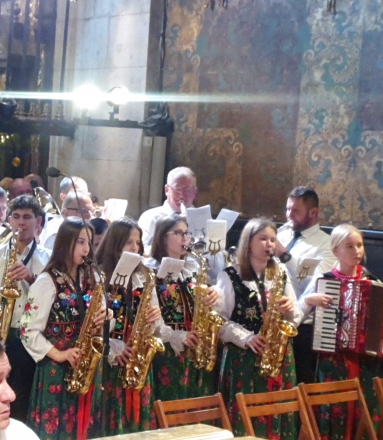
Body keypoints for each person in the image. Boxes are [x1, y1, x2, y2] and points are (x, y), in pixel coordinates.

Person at [298, 224, 383, 436]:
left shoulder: (374, 283)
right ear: (335, 250)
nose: (357, 251)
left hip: (366, 364)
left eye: (359, 245)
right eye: (349, 246)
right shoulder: (325, 281)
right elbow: (297, 314)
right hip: (333, 362)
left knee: (364, 414)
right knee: (335, 414)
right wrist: (309, 300)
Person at [213, 217, 302, 438]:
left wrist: (290, 309)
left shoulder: (280, 273)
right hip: (244, 359)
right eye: (263, 239)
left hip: (278, 357)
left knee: (279, 413)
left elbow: (295, 318)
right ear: (248, 242)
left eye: (273, 239)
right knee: (245, 419)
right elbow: (218, 320)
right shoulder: (230, 275)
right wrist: (246, 338)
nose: (269, 244)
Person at [20, 217, 104, 440]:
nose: (87, 249)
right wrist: (59, 354)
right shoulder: (47, 281)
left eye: (89, 243)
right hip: (57, 369)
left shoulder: (92, 278)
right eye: (81, 242)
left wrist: (106, 317)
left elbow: (104, 317)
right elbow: (27, 330)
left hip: (86, 364)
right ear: (66, 243)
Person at [0, 195, 50, 421]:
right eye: (16, 217)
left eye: (27, 217)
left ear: (38, 222)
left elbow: (53, 300)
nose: (21, 223)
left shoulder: (48, 259)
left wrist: (32, 279)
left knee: (23, 398)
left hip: (30, 338)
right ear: (9, 220)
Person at [93, 217, 165, 436]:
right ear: (115, 244)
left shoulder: (144, 277)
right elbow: (94, 326)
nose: (135, 248)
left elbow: (157, 326)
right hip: (111, 363)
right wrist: (114, 349)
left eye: (138, 243)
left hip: (137, 359)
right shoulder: (99, 276)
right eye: (129, 243)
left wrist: (155, 317)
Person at [144, 215, 218, 401]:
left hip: (195, 345)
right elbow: (153, 313)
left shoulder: (192, 267)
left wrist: (211, 295)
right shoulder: (150, 270)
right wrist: (178, 336)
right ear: (163, 238)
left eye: (187, 233)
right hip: (167, 349)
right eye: (178, 233)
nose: (185, 238)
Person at [274, 186, 336, 384]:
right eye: (287, 209)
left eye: (295, 211)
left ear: (313, 213)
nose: (289, 215)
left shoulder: (327, 244)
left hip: (304, 326)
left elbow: (314, 282)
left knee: (299, 382)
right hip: (274, 318)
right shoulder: (282, 233)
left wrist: (284, 255)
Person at [137, 166, 197, 251]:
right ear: (167, 190)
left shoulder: (203, 219)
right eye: (178, 189)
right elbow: (142, 250)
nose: (182, 195)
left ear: (194, 192)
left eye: (188, 190)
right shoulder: (150, 217)